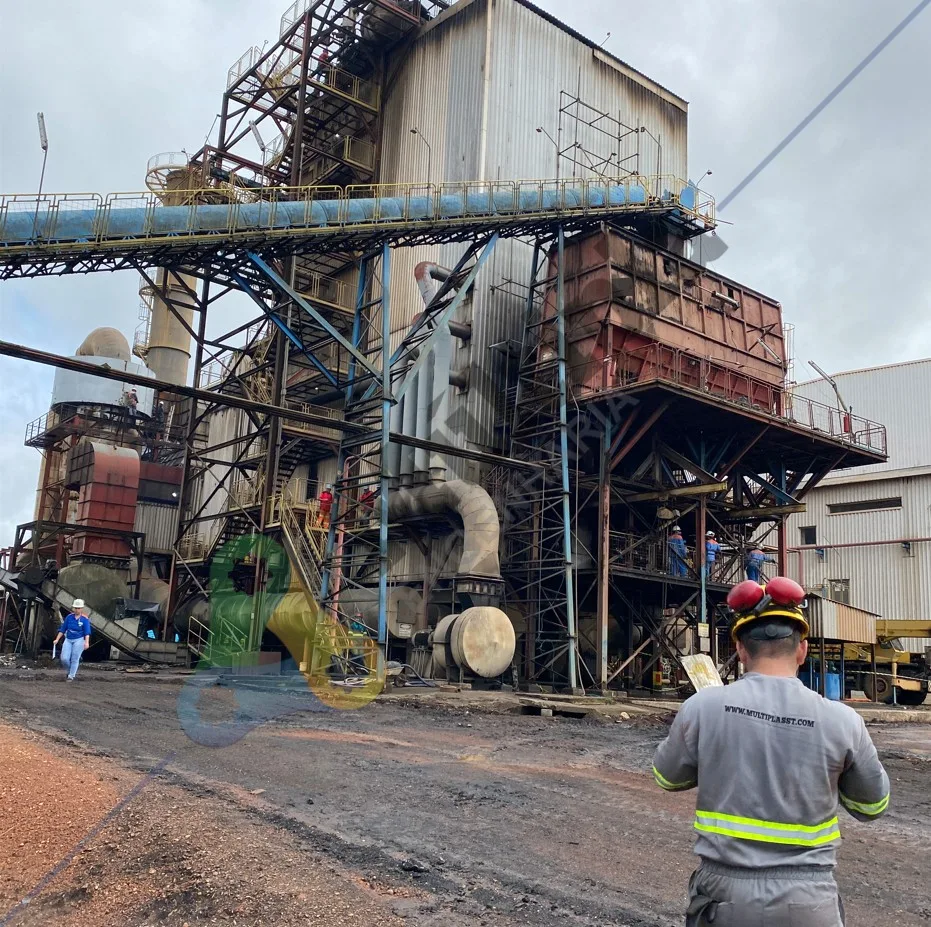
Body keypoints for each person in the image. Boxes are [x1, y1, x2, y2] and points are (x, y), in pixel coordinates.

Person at [652, 576, 889, 926]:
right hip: (810, 902)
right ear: (802, 649)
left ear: (742, 651)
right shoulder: (843, 720)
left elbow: (667, 778)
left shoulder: (702, 707)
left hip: (725, 900)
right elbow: (873, 805)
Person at [52, 599, 92, 682]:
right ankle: (70, 670)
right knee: (64, 658)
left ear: (82, 608)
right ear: (73, 608)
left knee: (75, 658)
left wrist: (86, 642)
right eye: (76, 608)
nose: (77, 610)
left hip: (79, 640)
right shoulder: (69, 617)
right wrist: (57, 639)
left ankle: (71, 676)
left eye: (79, 608)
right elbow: (63, 629)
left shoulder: (85, 619)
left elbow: (87, 632)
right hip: (68, 639)